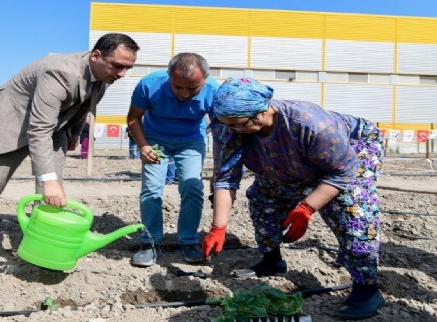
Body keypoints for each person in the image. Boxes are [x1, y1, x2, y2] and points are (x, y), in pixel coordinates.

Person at [0, 33, 140, 274]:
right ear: (96, 55)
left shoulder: (104, 75)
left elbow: (83, 106)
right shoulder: (59, 71)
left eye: (128, 68)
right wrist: (47, 180)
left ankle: (42, 244)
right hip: (11, 124)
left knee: (51, 193)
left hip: (53, 126)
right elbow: (38, 128)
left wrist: (74, 135)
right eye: (118, 66)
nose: (122, 74)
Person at [202, 77, 386, 320]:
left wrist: (307, 208)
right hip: (288, 157)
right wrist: (218, 226)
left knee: (352, 210)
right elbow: (225, 178)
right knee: (263, 199)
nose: (233, 131)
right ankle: (271, 260)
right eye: (228, 125)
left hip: (350, 152)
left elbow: (343, 172)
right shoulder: (228, 125)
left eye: (237, 125)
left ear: (261, 113)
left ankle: (367, 288)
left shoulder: (309, 124)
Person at [127, 52, 219, 267]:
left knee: (192, 188)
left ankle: (188, 240)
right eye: (178, 87)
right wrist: (143, 146)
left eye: (193, 88)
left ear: (204, 79)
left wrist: (219, 168)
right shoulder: (149, 85)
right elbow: (133, 117)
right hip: (155, 139)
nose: (185, 94)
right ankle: (150, 242)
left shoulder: (214, 91)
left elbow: (220, 129)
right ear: (169, 76)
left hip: (191, 141)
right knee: (151, 189)